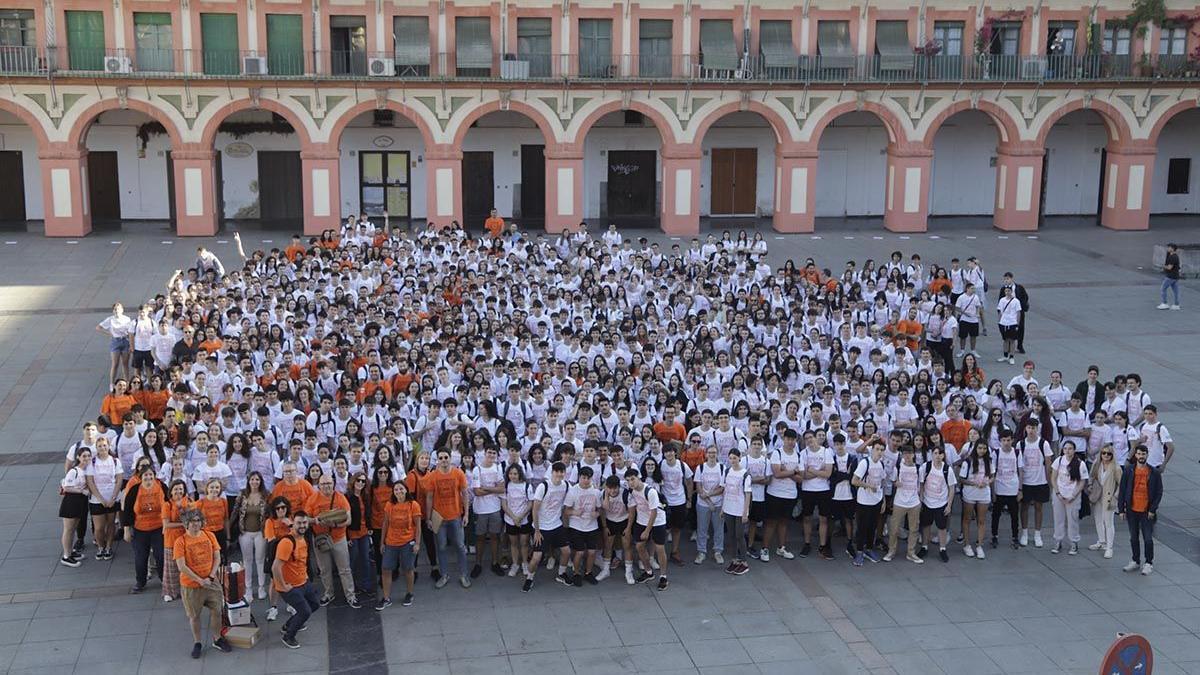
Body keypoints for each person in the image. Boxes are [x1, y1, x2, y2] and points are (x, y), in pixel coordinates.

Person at [174, 508, 233, 658]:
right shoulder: (180, 542)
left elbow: (217, 557)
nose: (195, 524)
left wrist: (211, 577)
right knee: (194, 616)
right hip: (191, 586)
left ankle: (217, 638)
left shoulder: (209, 535)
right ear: (186, 524)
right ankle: (197, 642)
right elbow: (182, 566)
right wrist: (200, 580)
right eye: (192, 521)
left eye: (198, 520)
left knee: (217, 611)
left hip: (211, 582)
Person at [422, 448, 472, 589]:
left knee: (460, 546)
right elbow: (429, 497)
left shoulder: (458, 473)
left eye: (446, 457)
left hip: (456, 515)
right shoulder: (433, 476)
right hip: (439, 518)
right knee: (442, 547)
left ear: (450, 458)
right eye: (441, 458)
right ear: (437, 460)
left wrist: (466, 514)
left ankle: (463, 574)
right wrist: (429, 518)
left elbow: (465, 494)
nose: (444, 460)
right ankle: (444, 575)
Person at [307, 474, 359, 608]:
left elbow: (348, 520)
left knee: (345, 569)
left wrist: (334, 525)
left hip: (338, 538)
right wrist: (315, 520)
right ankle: (329, 593)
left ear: (334, 483)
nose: (326, 486)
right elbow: (306, 520)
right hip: (320, 540)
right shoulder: (312, 499)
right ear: (318, 485)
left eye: (329, 483)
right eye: (323, 484)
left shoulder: (340, 498)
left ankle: (350, 595)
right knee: (324, 569)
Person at [274, 511, 322, 648]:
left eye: (305, 522)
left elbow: (301, 562)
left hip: (303, 581)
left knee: (314, 605)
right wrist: (283, 586)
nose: (302, 525)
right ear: (293, 524)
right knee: (305, 611)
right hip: (290, 586)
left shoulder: (303, 538)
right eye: (299, 523)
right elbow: (275, 567)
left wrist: (306, 577)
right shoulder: (287, 542)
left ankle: (289, 625)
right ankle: (288, 636)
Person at [1118, 445, 1163, 576]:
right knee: (1133, 537)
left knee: (1148, 538)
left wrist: (1153, 509)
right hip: (1132, 509)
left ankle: (1149, 562)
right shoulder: (1129, 471)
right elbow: (1122, 490)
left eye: (1143, 454)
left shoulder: (1154, 472)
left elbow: (1159, 492)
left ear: (1147, 455)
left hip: (1146, 511)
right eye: (1138, 454)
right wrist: (1121, 509)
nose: (1141, 456)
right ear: (1135, 455)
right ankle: (1135, 560)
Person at [123, 465, 168, 593]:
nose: (148, 478)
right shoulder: (135, 490)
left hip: (158, 528)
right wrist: (127, 530)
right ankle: (140, 582)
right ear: (140, 477)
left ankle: (163, 580)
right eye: (145, 476)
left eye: (151, 475)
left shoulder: (162, 487)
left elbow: (169, 504)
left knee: (160, 556)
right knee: (141, 557)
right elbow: (127, 510)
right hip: (140, 529)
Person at [378, 481, 422, 609]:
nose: (398, 492)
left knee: (408, 569)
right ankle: (386, 598)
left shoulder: (413, 505)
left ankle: (409, 593)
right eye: (396, 490)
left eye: (401, 489)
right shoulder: (389, 505)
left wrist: (417, 543)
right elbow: (385, 524)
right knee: (386, 569)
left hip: (407, 541)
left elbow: (418, 526)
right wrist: (382, 542)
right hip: (391, 542)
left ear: (406, 490)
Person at [626, 467, 670, 591]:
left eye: (633, 479)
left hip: (657, 522)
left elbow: (654, 512)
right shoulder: (632, 491)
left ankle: (663, 576)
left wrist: (647, 530)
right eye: (628, 480)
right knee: (639, 546)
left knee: (659, 548)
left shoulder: (650, 491)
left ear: (639, 478)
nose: (631, 482)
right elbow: (633, 509)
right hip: (641, 521)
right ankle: (648, 572)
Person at [1049, 441, 1088, 555]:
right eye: (1065, 448)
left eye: (1070, 448)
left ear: (1074, 450)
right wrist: (1057, 493)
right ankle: (1058, 540)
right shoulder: (1059, 460)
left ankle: (1074, 542)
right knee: (1058, 518)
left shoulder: (1080, 463)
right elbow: (1053, 477)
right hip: (1059, 494)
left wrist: (1073, 495)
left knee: (1073, 519)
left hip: (1073, 495)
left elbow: (1082, 481)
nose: (1067, 451)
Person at [1087, 443, 1122, 559]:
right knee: (1098, 519)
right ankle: (1101, 541)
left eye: (1109, 453)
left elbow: (1121, 484)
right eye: (1104, 453)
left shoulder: (1116, 468)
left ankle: (1109, 547)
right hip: (1098, 496)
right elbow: (1091, 476)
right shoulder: (1097, 464)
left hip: (1109, 497)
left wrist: (1116, 496)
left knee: (1109, 522)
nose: (1106, 455)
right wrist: (1090, 485)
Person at [59, 447, 92, 567]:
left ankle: (70, 551)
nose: (86, 458)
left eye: (88, 456)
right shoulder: (74, 471)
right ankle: (66, 556)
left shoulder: (85, 470)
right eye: (84, 456)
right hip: (71, 501)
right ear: (78, 457)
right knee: (68, 529)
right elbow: (67, 487)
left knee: (73, 528)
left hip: (80, 502)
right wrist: (81, 491)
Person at [97, 302, 134, 384]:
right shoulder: (110, 319)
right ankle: (112, 383)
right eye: (115, 309)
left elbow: (130, 330)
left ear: (122, 310)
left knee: (125, 363)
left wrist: (130, 341)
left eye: (118, 309)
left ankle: (127, 382)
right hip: (115, 341)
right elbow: (98, 327)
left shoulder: (127, 319)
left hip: (125, 341)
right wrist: (109, 333)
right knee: (115, 363)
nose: (116, 311)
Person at [999, 272, 1030, 354]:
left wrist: (1022, 305)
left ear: (1012, 278)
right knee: (1009, 330)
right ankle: (1009, 346)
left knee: (1020, 328)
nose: (1006, 281)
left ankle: (1020, 345)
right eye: (1005, 279)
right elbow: (1000, 300)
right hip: (1008, 313)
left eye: (1007, 279)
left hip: (1018, 310)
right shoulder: (1003, 289)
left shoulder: (1019, 287)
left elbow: (1025, 297)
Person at [1158, 242, 1181, 310]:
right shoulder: (1175, 256)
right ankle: (1176, 305)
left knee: (1163, 289)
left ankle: (1164, 303)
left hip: (1170, 276)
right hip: (1175, 276)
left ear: (1172, 249)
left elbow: (1169, 267)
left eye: (1169, 247)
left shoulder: (1172, 257)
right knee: (1176, 291)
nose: (1167, 248)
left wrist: (1163, 266)